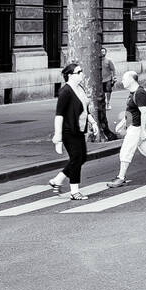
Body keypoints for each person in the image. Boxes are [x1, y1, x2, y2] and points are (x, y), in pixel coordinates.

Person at [49, 62, 96, 200]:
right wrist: (58, 135)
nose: (82, 74)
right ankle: (74, 191)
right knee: (76, 158)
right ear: (70, 75)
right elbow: (59, 115)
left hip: (79, 129)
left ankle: (58, 180)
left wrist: (93, 123)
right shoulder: (66, 91)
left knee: (82, 157)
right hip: (68, 130)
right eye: (78, 72)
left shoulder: (80, 88)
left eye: (81, 71)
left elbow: (85, 109)